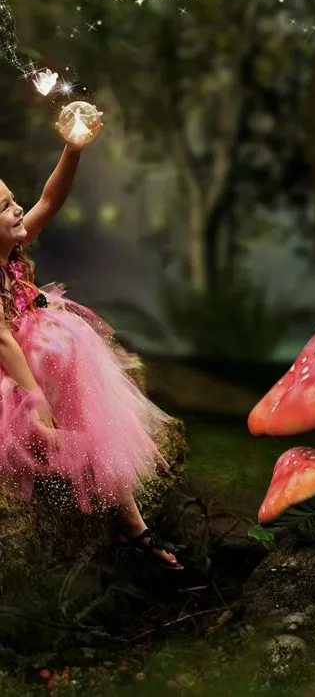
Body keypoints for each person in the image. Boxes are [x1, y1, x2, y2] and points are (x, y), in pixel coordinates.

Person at [0, 112, 183, 570]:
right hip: (13, 369)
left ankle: (131, 520)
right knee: (55, 366)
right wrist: (33, 401)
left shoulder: (13, 253)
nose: (18, 208)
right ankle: (124, 519)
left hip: (34, 351)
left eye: (12, 199)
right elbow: (3, 340)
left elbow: (50, 199)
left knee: (72, 350)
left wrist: (74, 149)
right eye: (4, 207)